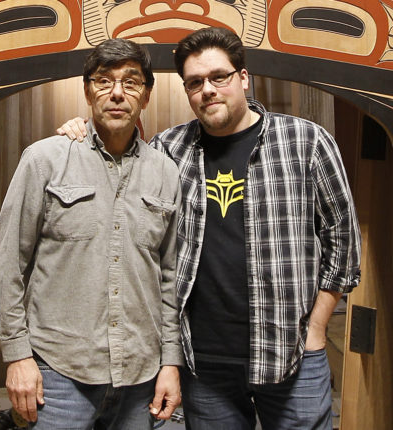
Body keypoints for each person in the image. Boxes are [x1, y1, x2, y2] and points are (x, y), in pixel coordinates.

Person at [59, 27, 361, 430]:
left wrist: (317, 327)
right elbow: (118, 156)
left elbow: (343, 244)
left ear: (243, 77)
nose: (208, 90)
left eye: (219, 77)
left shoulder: (306, 142)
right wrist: (81, 129)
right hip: (204, 364)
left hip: (291, 354)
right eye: (195, 82)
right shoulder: (169, 149)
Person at [0, 38, 183, 430]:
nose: (116, 93)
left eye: (131, 83)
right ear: (87, 91)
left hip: (140, 376)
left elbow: (169, 280)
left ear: (146, 97)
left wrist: (170, 363)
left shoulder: (166, 173)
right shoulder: (45, 159)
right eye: (103, 81)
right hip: (59, 373)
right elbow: (9, 265)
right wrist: (16, 356)